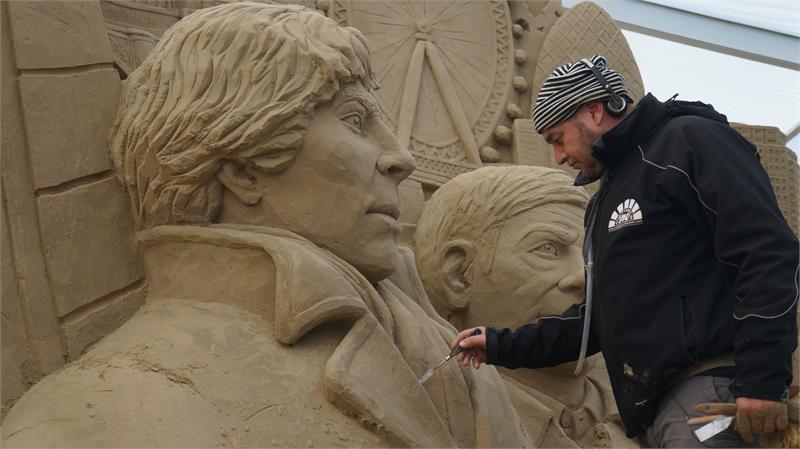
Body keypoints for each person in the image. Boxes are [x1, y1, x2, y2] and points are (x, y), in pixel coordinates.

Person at [1, 4, 531, 447]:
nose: (400, 157)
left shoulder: (427, 340)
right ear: (242, 168)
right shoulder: (102, 414)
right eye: (353, 120)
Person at [452, 55, 799, 448]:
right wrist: (499, 344)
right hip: (658, 414)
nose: (559, 158)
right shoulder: (606, 197)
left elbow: (766, 251)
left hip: (711, 394)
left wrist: (763, 378)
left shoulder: (688, 141)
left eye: (557, 138)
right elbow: (596, 320)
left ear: (595, 111)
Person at [415, 165, 638, 448]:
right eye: (547, 249)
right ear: (459, 275)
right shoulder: (441, 419)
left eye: (592, 254)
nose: (584, 276)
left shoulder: (657, 409)